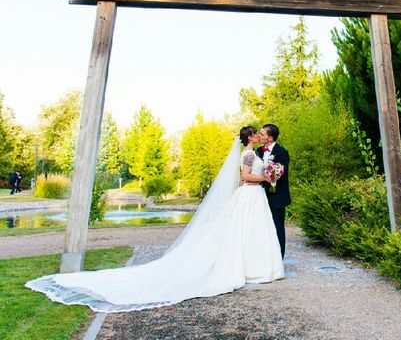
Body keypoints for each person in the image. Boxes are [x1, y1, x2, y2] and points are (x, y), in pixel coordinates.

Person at [25, 126, 284, 312]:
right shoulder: (249, 154)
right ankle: (250, 268)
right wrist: (267, 178)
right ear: (250, 137)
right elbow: (247, 175)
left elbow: (251, 174)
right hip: (251, 193)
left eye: (262, 133)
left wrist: (267, 176)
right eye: (256, 133)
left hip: (255, 197)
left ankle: (257, 266)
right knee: (245, 230)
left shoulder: (257, 153)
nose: (259, 135)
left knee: (253, 232)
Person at [256, 124, 291, 258]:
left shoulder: (282, 152)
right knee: (261, 226)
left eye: (262, 134)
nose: (260, 136)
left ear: (270, 138)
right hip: (259, 194)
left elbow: (282, 173)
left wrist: (271, 177)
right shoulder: (258, 151)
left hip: (277, 196)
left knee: (278, 227)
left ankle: (278, 259)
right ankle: (264, 258)